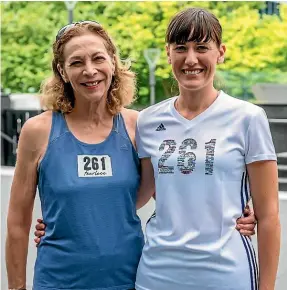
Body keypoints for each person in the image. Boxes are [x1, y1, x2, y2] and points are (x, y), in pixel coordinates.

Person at [7, 20, 255, 290]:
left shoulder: (140, 126)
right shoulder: (38, 131)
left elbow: (176, 193)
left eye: (98, 58)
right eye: (76, 62)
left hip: (129, 278)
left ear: (113, 63)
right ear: (63, 72)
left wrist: (234, 212)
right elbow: (18, 223)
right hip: (58, 280)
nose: (90, 71)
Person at [134, 7, 280, 290]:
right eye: (181, 48)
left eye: (201, 47)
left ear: (220, 52)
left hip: (226, 274)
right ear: (168, 54)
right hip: (157, 274)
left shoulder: (247, 118)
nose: (191, 59)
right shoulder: (148, 121)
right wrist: (67, 217)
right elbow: (140, 194)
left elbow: (269, 215)